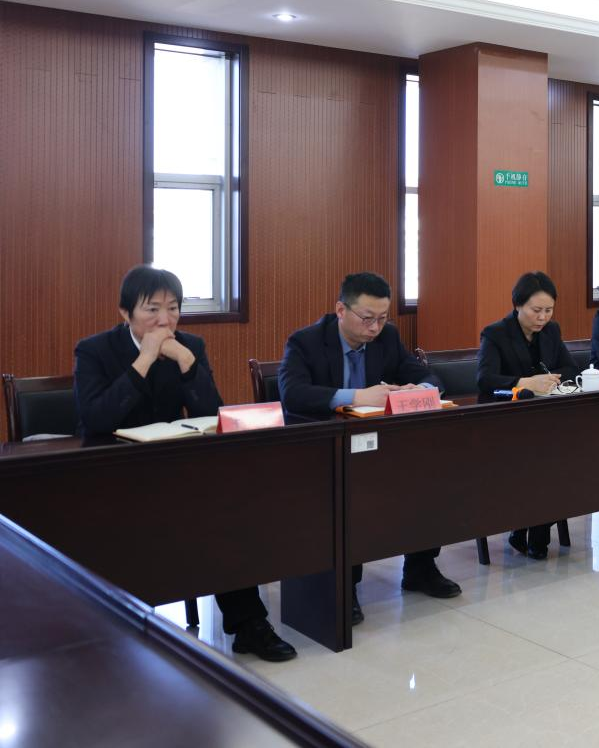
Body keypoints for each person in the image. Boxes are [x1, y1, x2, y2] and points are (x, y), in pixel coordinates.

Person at [74, 266, 295, 662]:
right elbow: (96, 419)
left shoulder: (189, 345)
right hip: (112, 473)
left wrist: (188, 363)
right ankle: (120, 630)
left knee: (227, 511)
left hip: (174, 467)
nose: (165, 320)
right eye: (152, 309)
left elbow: (212, 412)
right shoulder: (94, 351)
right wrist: (144, 360)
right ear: (125, 312)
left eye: (173, 308)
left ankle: (248, 624)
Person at [279, 272, 461, 624]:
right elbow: (293, 394)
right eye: (367, 318)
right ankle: (343, 586)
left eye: (382, 318)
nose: (375, 327)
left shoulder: (387, 338)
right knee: (350, 493)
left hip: (380, 447)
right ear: (340, 310)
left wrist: (419, 389)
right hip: (324, 451)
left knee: (431, 474)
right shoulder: (306, 341)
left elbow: (428, 377)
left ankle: (420, 567)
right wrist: (357, 396)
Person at [477, 271, 580, 558]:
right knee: (542, 459)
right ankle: (534, 533)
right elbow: (485, 380)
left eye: (548, 310)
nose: (543, 317)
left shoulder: (551, 331)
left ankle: (531, 530)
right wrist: (524, 382)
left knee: (565, 456)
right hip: (505, 423)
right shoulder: (495, 334)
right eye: (536, 310)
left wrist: (553, 378)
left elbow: (571, 368)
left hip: (545, 421)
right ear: (518, 304)